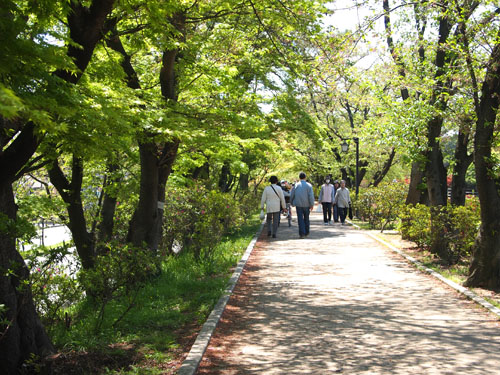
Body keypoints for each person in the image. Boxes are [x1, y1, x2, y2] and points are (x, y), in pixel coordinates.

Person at [290, 172, 315, 239]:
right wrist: (312, 204)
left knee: (300, 219)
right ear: (305, 177)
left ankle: (302, 233)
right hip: (306, 205)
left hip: (298, 204)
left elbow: (292, 194)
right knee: (306, 218)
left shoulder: (296, 185)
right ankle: (307, 231)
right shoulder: (309, 185)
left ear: (299, 177)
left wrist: (291, 202)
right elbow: (311, 196)